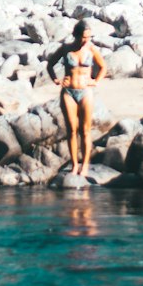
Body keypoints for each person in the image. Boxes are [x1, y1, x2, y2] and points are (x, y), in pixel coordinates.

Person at [48, 19, 107, 177]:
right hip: (68, 91)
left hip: (86, 92)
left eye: (88, 37)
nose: (86, 40)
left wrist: (95, 81)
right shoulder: (66, 49)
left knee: (85, 131)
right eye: (83, 37)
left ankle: (85, 165)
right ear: (76, 35)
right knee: (72, 130)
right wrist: (56, 80)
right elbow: (50, 64)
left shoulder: (92, 49)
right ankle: (75, 165)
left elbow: (103, 67)